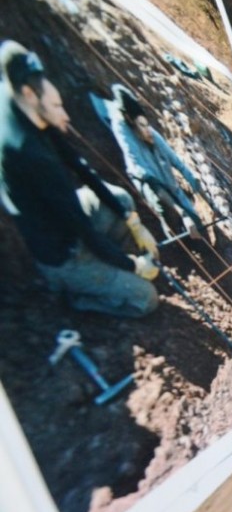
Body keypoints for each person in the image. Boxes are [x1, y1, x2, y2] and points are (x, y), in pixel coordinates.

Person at [0, 41, 158, 317]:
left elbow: (79, 166)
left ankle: (106, 265)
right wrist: (134, 265)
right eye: (57, 106)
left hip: (63, 218)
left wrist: (131, 220)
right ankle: (79, 296)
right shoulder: (30, 154)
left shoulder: (20, 101)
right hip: (63, 255)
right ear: (29, 94)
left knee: (120, 199)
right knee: (146, 298)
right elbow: (81, 227)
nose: (65, 114)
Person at [108, 83, 210, 239]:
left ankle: (198, 235)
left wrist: (198, 189)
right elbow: (153, 184)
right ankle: (176, 233)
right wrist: (182, 214)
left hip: (171, 185)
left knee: (196, 222)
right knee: (168, 212)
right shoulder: (125, 134)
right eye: (142, 127)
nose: (147, 130)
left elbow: (178, 163)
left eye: (147, 124)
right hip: (152, 185)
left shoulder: (154, 136)